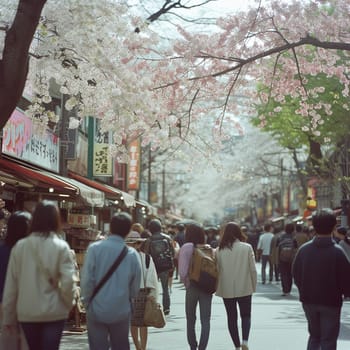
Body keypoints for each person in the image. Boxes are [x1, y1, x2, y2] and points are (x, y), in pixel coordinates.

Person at [2, 200, 77, 350]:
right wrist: (69, 304)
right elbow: (69, 282)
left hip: (27, 312)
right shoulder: (61, 247)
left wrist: (8, 318)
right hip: (55, 311)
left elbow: (11, 285)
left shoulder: (20, 247)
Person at [81, 212, 141, 350]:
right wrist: (129, 300)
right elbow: (135, 285)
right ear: (127, 231)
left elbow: (87, 280)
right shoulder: (132, 254)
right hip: (121, 309)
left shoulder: (94, 249)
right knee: (120, 345)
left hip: (96, 307)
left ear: (110, 228)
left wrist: (86, 302)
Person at [292, 209, 350, 350]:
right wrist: (345, 293)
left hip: (309, 300)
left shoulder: (304, 250)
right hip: (331, 302)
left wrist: (303, 290)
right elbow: (346, 279)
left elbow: (296, 274)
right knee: (328, 338)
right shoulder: (337, 252)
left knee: (314, 336)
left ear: (314, 226)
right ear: (333, 227)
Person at [216, 222, 257, 350]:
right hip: (244, 287)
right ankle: (245, 341)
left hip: (226, 289)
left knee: (231, 317)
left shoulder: (218, 250)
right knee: (246, 315)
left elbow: (217, 270)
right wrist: (253, 286)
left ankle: (237, 346)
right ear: (239, 232)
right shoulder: (247, 248)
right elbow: (253, 270)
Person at [178, 223, 213, 350]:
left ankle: (193, 346)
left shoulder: (187, 247)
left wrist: (186, 282)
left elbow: (182, 272)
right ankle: (202, 347)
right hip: (208, 287)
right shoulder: (208, 248)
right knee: (206, 320)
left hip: (192, 286)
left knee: (190, 318)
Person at [0, 211, 31, 350]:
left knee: (8, 342)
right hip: (29, 304)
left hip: (3, 303)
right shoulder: (30, 252)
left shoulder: (3, 250)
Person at [128, 238, 159, 350]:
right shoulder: (146, 258)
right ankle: (140, 347)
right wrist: (152, 292)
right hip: (142, 292)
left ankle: (140, 347)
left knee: (136, 323)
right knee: (141, 323)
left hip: (134, 293)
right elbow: (152, 277)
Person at [144, 219, 174, 315]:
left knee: (152, 288)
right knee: (165, 288)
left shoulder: (149, 240)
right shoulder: (167, 238)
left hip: (153, 267)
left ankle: (154, 307)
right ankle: (166, 308)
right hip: (165, 266)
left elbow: (146, 254)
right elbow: (172, 252)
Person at [277, 223, 298, 296]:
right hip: (291, 258)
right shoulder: (293, 237)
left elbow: (278, 246)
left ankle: (284, 290)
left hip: (282, 257)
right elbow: (296, 247)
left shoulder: (281, 237)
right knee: (290, 274)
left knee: (283, 274)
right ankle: (289, 290)